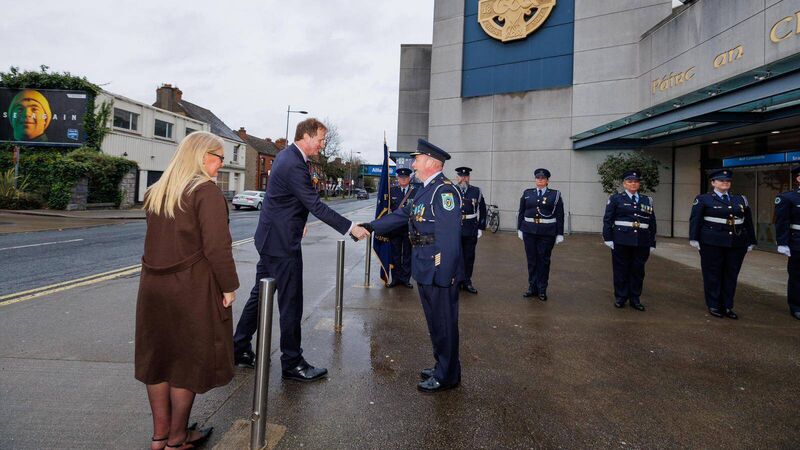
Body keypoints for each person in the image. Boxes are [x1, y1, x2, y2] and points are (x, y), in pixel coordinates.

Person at [232, 118, 369, 380]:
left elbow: (291, 200)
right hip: (281, 244)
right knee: (291, 301)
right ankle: (292, 362)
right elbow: (314, 203)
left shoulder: (289, 158)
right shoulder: (293, 162)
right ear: (305, 136)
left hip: (273, 238)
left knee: (260, 295)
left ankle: (239, 347)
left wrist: (300, 221)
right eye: (320, 139)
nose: (322, 145)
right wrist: (350, 227)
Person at [135, 131, 238, 449]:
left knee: (159, 358)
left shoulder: (158, 190)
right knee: (186, 361)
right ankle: (178, 438)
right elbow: (217, 248)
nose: (221, 165)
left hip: (152, 287)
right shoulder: (205, 191)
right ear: (203, 155)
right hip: (190, 288)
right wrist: (229, 286)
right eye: (219, 157)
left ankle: (160, 436)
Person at [360, 138, 463, 393]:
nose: (413, 164)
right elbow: (401, 216)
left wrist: (445, 273)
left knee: (444, 322)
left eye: (416, 159)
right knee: (434, 322)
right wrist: (370, 227)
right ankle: (443, 365)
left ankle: (447, 376)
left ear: (431, 162)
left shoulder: (445, 191)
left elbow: (449, 238)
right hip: (425, 265)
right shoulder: (422, 189)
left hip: (438, 268)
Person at [689, 168, 756, 319]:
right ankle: (713, 304)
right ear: (713, 183)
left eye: (727, 181)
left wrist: (751, 240)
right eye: (721, 180)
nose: (725, 183)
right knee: (713, 274)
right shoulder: (703, 199)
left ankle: (727, 306)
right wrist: (694, 238)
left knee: (731, 275)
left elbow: (748, 222)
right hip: (712, 242)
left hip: (736, 243)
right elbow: (695, 220)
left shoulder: (740, 200)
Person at [602, 170, 656, 311]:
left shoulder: (647, 200)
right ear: (624, 183)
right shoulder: (616, 199)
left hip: (642, 241)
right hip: (621, 239)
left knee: (638, 271)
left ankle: (635, 298)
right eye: (630, 181)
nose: (633, 183)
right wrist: (608, 237)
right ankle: (620, 297)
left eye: (636, 181)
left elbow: (652, 223)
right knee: (621, 270)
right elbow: (608, 219)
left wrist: (652, 241)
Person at [517, 168, 564, 301]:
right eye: (538, 178)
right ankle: (532, 287)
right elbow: (521, 211)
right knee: (532, 261)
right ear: (535, 180)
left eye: (543, 178)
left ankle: (542, 289)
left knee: (543, 261)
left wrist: (559, 233)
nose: (540, 180)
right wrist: (520, 228)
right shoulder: (527, 193)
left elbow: (560, 214)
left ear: (547, 181)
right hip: (529, 231)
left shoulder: (555, 195)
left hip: (547, 232)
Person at [774, 166, 800, 320]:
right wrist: (782, 243)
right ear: (798, 178)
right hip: (797, 241)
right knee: (797, 276)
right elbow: (782, 221)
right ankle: (796, 306)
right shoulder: (788, 197)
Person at [455, 167, 486, 294]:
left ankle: (467, 281)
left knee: (469, 257)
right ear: (457, 177)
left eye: (466, 176)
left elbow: (482, 210)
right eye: (461, 176)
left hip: (470, 228)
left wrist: (480, 227)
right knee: (456, 257)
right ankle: (457, 281)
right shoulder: (451, 190)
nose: (463, 179)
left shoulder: (476, 191)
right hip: (455, 228)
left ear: (469, 177)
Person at [384, 167, 416, 288]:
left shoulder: (415, 192)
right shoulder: (392, 191)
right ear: (398, 178)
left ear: (409, 178)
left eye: (406, 177)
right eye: (401, 177)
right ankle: (395, 278)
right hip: (395, 228)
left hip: (409, 228)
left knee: (408, 254)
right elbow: (386, 209)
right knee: (395, 254)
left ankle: (405, 279)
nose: (403, 179)